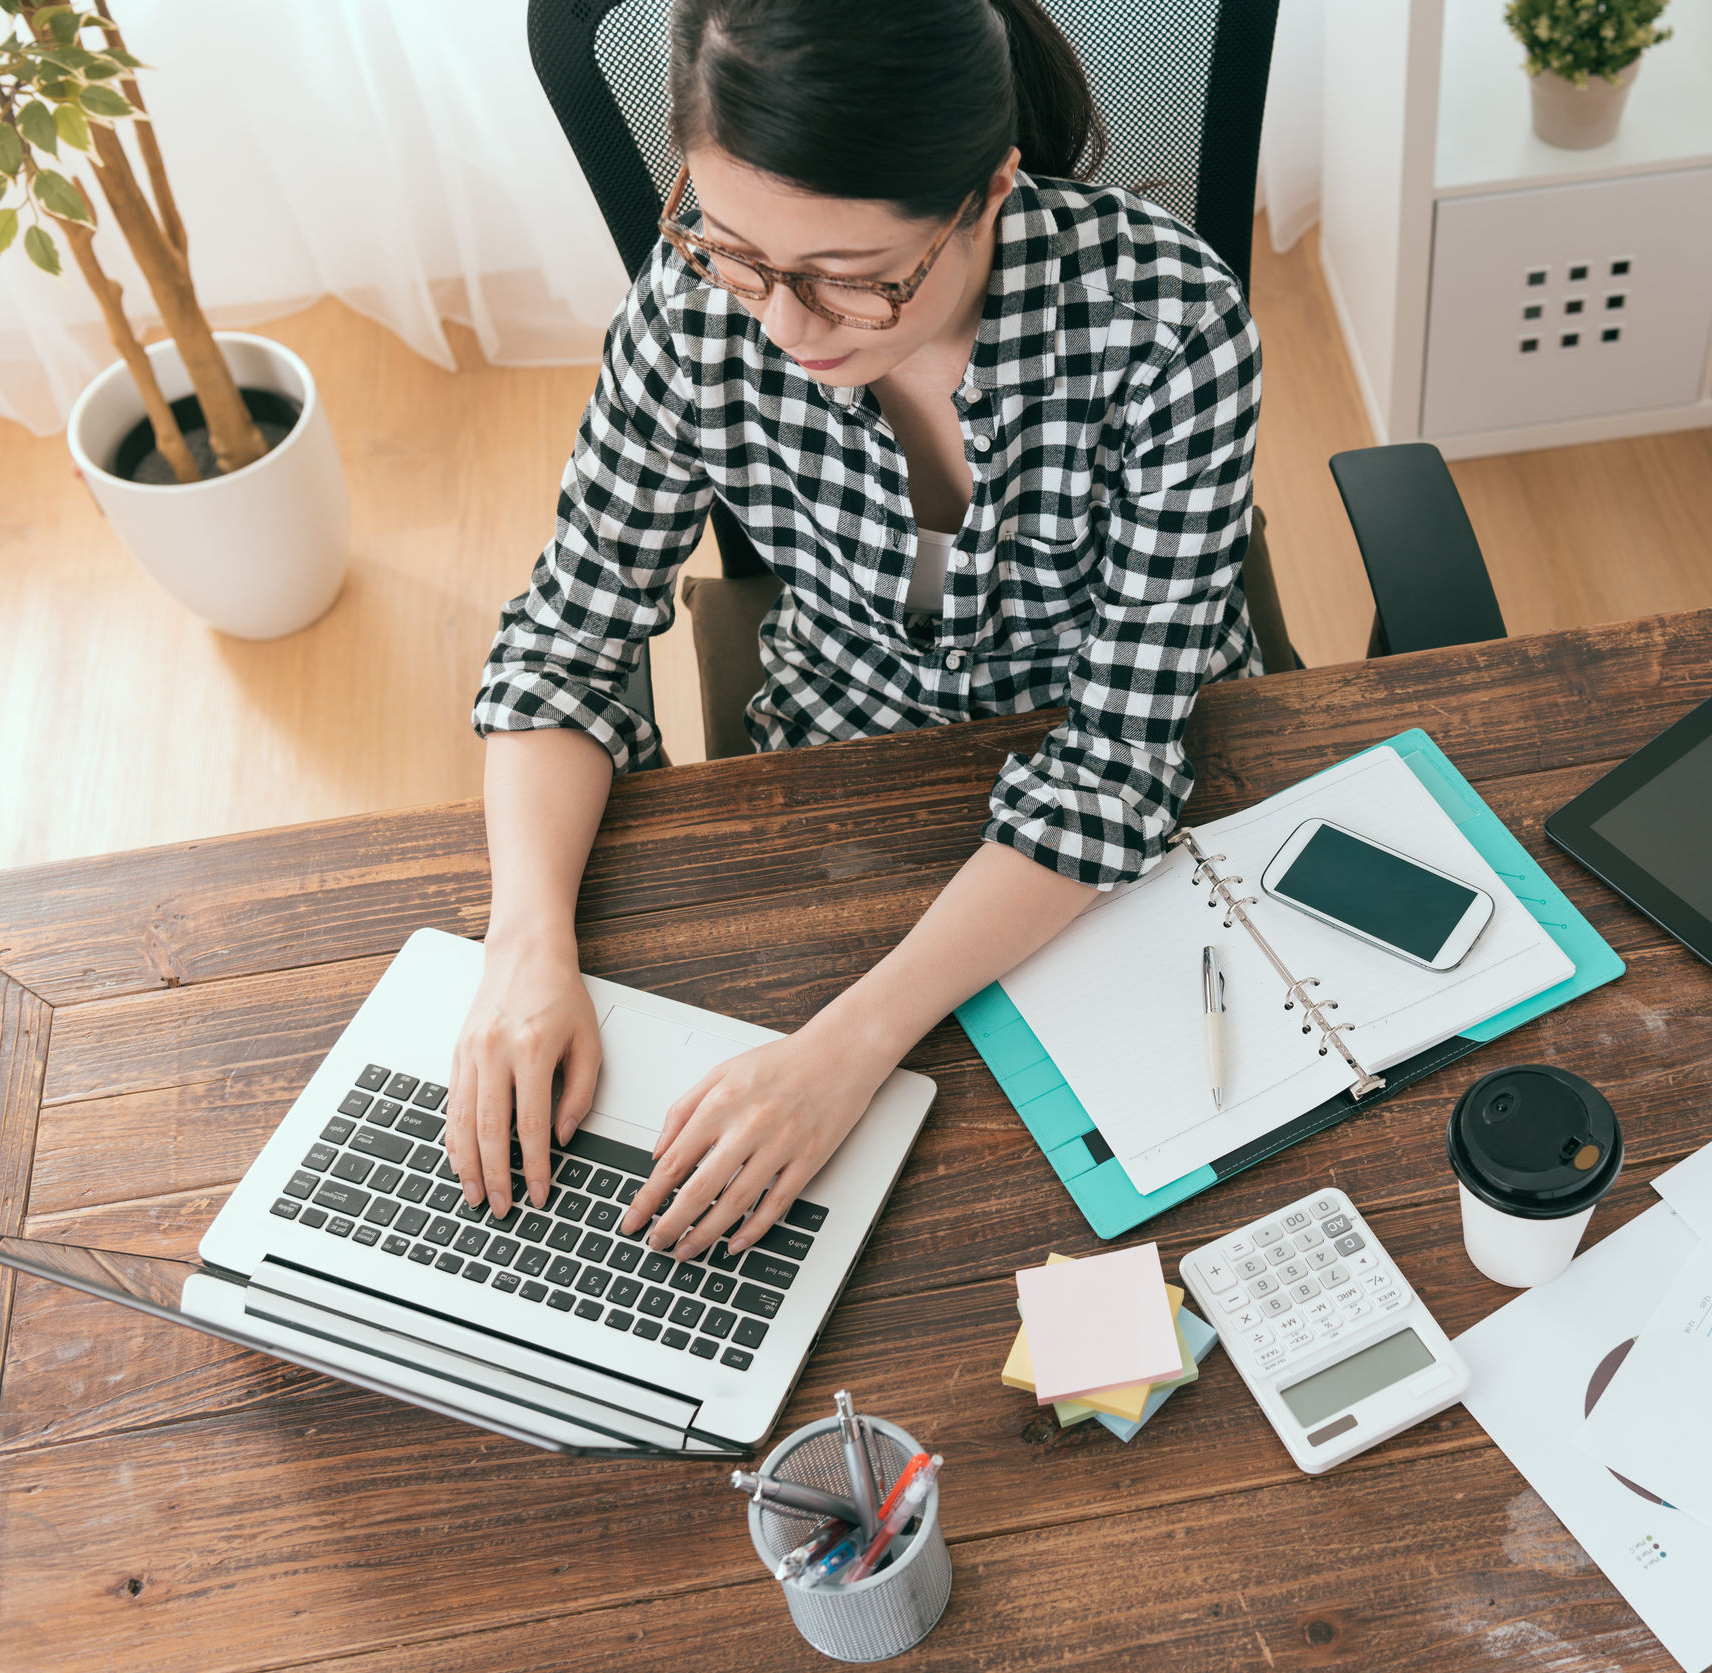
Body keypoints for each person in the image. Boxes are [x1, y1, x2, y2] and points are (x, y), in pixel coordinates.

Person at [447, 0, 1263, 1265]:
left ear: (988, 190)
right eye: (731, 246)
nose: (782, 324)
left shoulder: (1169, 326)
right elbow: (563, 640)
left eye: (853, 279)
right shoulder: (696, 309)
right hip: (843, 783)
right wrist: (523, 943)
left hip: (1107, 853)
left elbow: (1115, 765)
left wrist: (848, 1046)